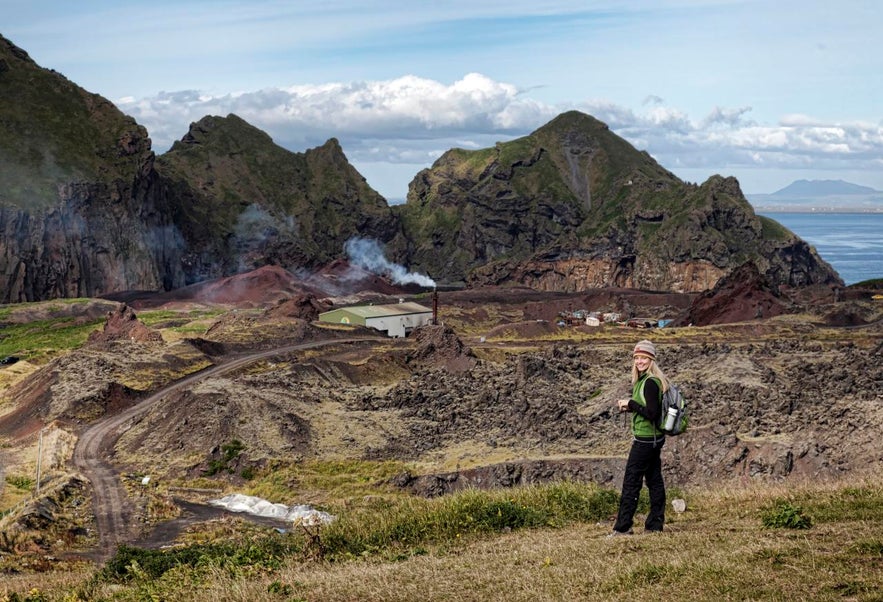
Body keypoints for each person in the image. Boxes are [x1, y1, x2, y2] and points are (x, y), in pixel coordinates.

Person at [610, 339, 669, 536]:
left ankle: (623, 527)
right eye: (636, 358)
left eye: (644, 357)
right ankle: (654, 525)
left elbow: (651, 413)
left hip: (645, 441)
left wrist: (631, 404)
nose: (639, 361)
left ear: (651, 359)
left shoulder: (650, 382)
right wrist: (631, 405)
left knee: (631, 482)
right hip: (653, 439)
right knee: (654, 480)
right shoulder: (646, 381)